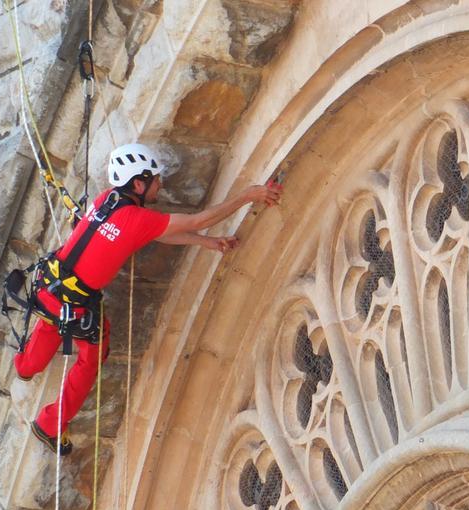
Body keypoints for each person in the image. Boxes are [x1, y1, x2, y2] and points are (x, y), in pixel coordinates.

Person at [15, 142, 282, 455]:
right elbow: (196, 220)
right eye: (155, 179)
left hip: (51, 286)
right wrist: (249, 196)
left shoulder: (106, 201)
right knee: (93, 354)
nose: (160, 184)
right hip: (76, 304)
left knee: (50, 321)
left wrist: (207, 243)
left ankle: (25, 366)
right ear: (138, 184)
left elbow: (158, 232)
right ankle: (49, 424)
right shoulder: (135, 219)